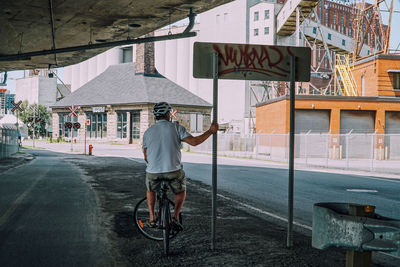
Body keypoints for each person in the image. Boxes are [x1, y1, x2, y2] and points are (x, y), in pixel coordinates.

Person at [142, 102, 218, 231]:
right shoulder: (176, 128)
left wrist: (154, 165)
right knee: (180, 190)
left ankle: (151, 218)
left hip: (153, 171)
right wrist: (210, 131)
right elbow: (194, 142)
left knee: (151, 190)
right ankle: (175, 218)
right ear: (168, 114)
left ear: (155, 116)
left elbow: (145, 155)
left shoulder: (148, 132)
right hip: (173, 171)